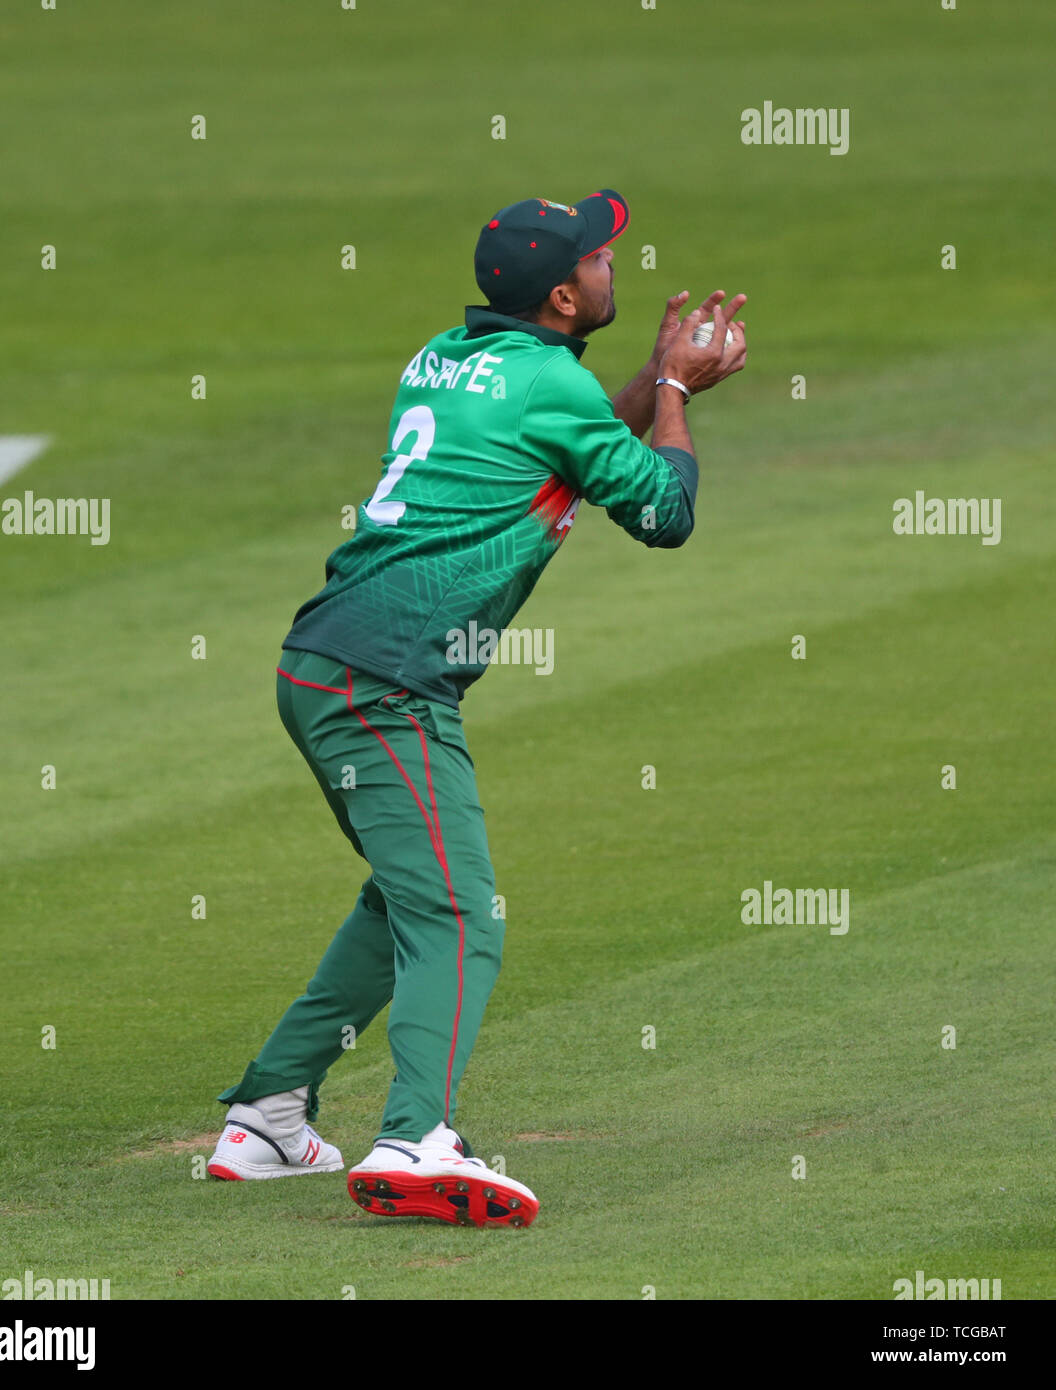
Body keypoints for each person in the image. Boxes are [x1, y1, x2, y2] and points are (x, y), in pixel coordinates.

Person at [207, 189, 747, 1228]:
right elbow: (663, 512)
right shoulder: (546, 382)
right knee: (460, 912)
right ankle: (416, 1136)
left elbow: (577, 446)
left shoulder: (451, 357)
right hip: (388, 685)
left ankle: (271, 1111)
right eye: (598, 258)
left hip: (321, 664)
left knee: (406, 892)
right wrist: (675, 388)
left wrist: (653, 384)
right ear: (560, 293)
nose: (610, 267)